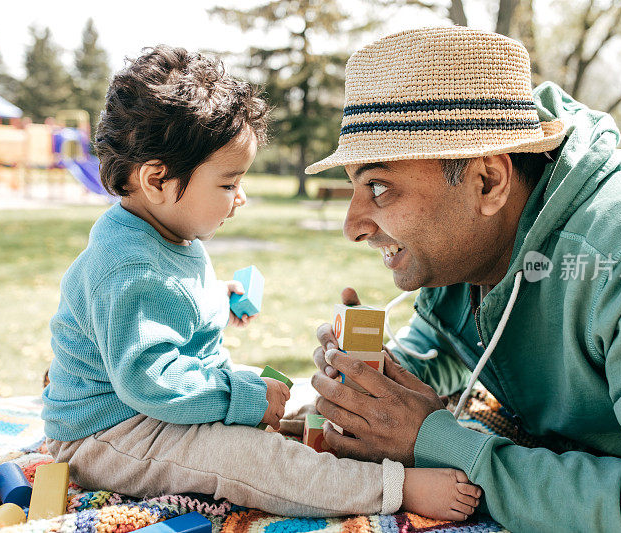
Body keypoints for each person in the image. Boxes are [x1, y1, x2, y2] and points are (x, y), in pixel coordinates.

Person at [305, 27, 621, 531]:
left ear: (488, 181)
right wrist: (379, 381)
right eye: (354, 187)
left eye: (379, 186)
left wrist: (438, 443)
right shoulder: (470, 245)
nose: (352, 226)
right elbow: (449, 341)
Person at [41, 45, 482, 520]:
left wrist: (214, 297)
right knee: (251, 460)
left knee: (283, 414)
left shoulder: (161, 232)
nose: (242, 197)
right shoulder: (130, 269)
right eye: (229, 184)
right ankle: (391, 488)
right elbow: (153, 380)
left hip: (149, 410)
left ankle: (326, 444)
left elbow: (163, 308)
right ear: (158, 180)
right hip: (109, 434)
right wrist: (242, 398)